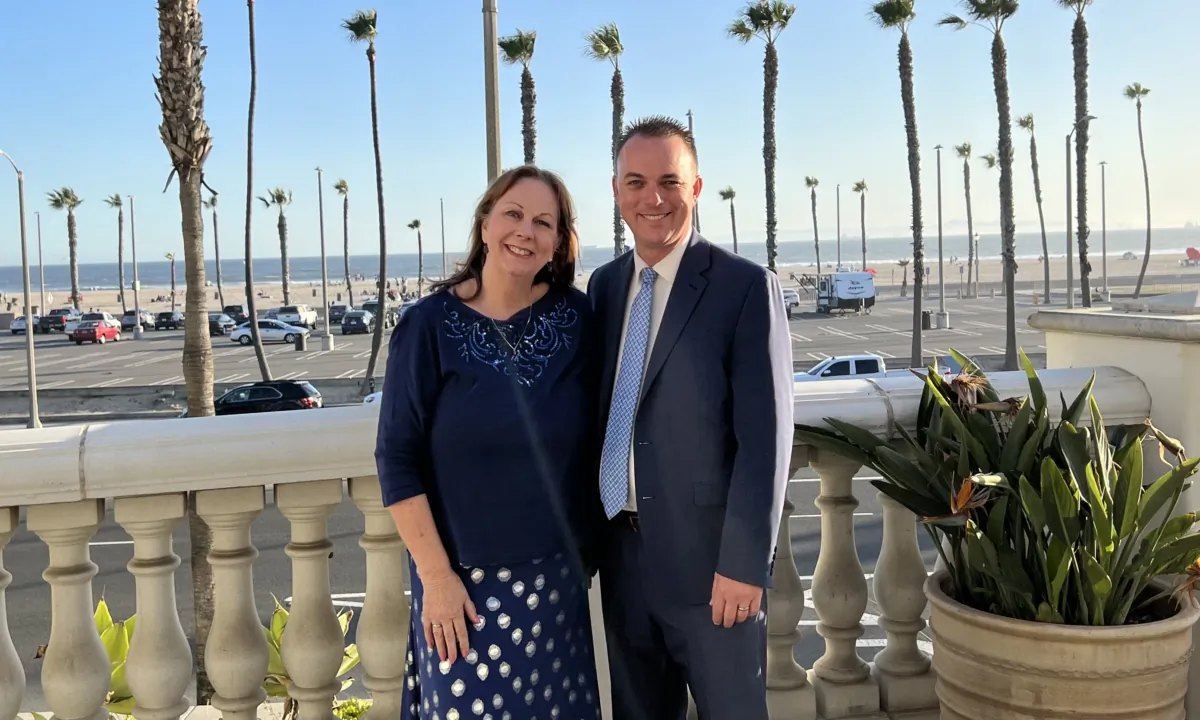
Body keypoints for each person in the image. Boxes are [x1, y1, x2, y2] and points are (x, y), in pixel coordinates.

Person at [376, 165, 602, 720]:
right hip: (463, 592)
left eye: (543, 221)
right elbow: (397, 458)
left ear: (557, 242)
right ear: (484, 224)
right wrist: (436, 579)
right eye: (513, 214)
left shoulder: (577, 319)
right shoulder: (427, 326)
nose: (526, 231)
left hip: (557, 586)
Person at [587, 116, 794, 719]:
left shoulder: (745, 288)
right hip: (621, 559)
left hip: (714, 573)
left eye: (669, 182)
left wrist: (744, 565)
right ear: (618, 191)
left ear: (696, 189)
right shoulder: (603, 288)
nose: (653, 198)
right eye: (636, 182)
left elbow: (767, 440)